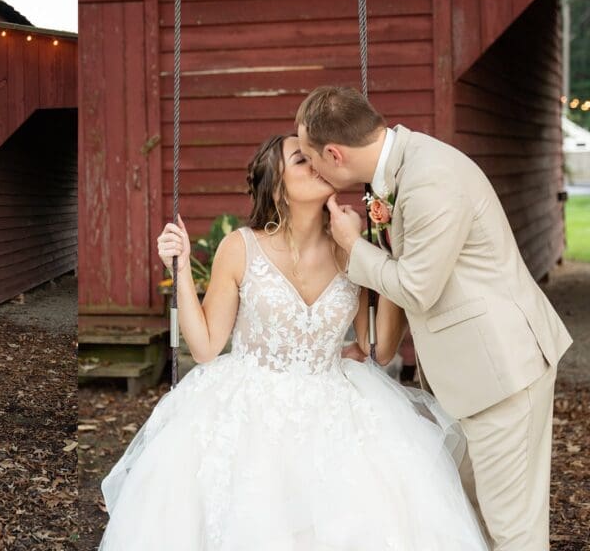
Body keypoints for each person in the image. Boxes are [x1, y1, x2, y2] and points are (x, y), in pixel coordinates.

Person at [98, 135, 488, 550]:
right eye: (302, 159)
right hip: (247, 406)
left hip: (335, 401)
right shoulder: (239, 247)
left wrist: (382, 254)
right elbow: (206, 347)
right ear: (277, 185)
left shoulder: (348, 247)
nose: (318, 163)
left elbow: (382, 347)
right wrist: (178, 269)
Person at [297, 85, 572, 551]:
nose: (313, 169)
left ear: (334, 154)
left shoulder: (431, 180)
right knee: (473, 514)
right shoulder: (401, 167)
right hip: (471, 377)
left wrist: (353, 245)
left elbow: (418, 289)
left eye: (310, 158)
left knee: (514, 531)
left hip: (502, 372)